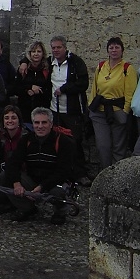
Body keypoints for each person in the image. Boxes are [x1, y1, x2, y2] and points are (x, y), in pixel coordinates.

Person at [3, 107, 76, 225]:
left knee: (58, 191)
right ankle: (28, 208)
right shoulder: (26, 140)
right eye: (36, 123)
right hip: (33, 179)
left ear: (51, 124)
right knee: (6, 177)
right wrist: (16, 183)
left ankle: (60, 212)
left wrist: (42, 187)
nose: (40, 126)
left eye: (44, 122)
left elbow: (63, 171)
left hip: (54, 181)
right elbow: (13, 163)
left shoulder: (63, 141)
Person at [47, 35, 92, 185]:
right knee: (56, 142)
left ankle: (80, 173)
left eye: (59, 47)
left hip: (72, 111)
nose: (56, 50)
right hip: (54, 109)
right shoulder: (49, 63)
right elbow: (32, 60)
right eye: (53, 47)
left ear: (65, 48)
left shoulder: (76, 62)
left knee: (75, 142)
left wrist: (64, 89)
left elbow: (83, 83)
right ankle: (61, 173)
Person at [88, 36, 137, 170]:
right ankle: (104, 174)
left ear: (122, 50)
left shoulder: (127, 68)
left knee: (118, 146)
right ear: (107, 50)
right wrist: (91, 106)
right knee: (103, 145)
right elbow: (94, 88)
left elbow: (130, 92)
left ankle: (116, 175)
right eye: (111, 47)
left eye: (117, 47)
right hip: (100, 110)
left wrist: (125, 112)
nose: (114, 50)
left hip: (117, 110)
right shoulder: (101, 66)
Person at [13, 41, 52, 127]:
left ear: (43, 53)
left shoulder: (47, 69)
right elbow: (15, 88)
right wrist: (29, 89)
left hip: (42, 109)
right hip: (25, 110)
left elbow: (49, 89)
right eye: (33, 51)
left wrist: (38, 91)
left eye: (39, 51)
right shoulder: (23, 69)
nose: (36, 54)